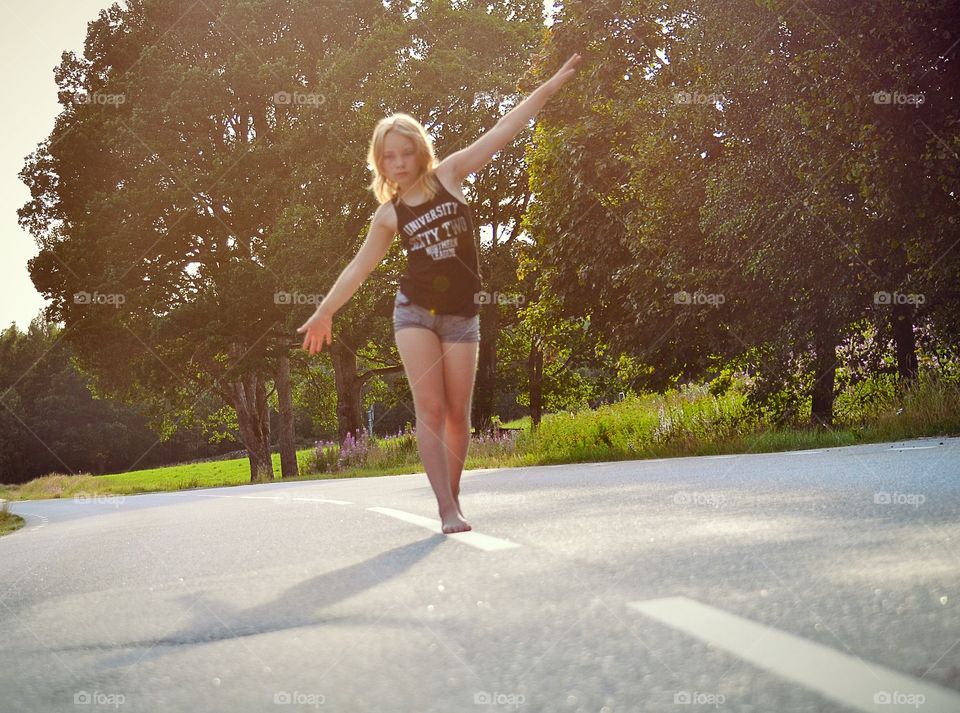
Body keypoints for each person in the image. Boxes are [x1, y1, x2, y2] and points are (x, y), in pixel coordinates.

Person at [297, 53, 582, 534]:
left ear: (420, 151)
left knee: (458, 414)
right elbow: (358, 269)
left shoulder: (450, 175)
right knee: (430, 409)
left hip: (461, 315)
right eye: (390, 156)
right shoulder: (387, 216)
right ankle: (445, 508)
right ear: (380, 161)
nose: (400, 162)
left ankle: (455, 498)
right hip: (414, 314)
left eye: (406, 152)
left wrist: (549, 88)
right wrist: (324, 312)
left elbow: (504, 128)